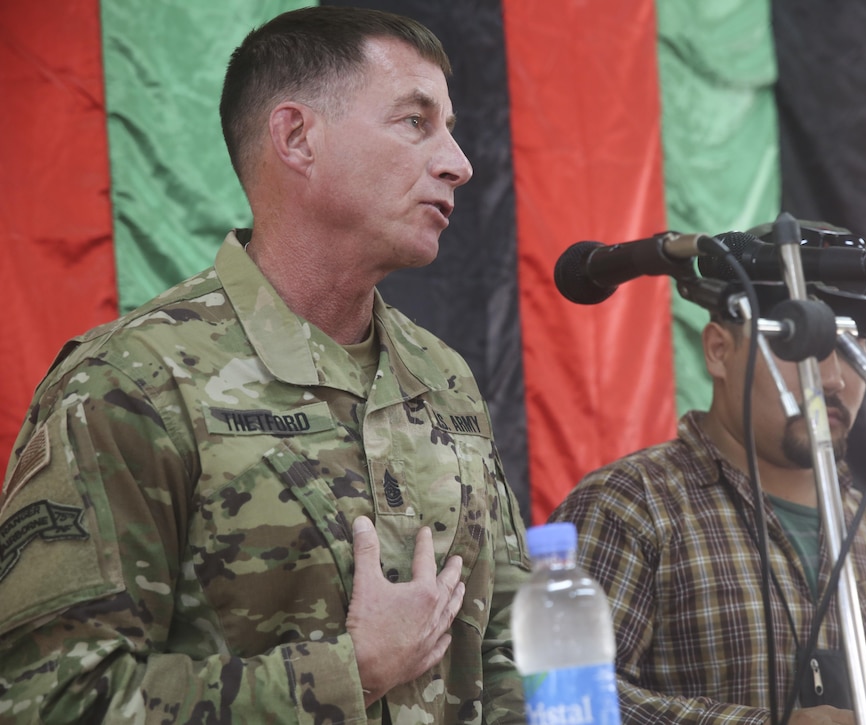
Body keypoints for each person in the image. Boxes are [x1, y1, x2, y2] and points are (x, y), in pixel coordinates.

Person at [0, 7, 530, 723]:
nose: (458, 163)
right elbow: (49, 700)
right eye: (415, 121)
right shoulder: (132, 383)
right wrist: (350, 672)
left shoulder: (445, 378)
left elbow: (504, 651)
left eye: (451, 128)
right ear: (296, 137)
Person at [549, 278, 866, 723]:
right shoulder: (629, 505)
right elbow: (560, 703)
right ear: (719, 350)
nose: (831, 378)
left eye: (851, 347)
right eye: (798, 343)